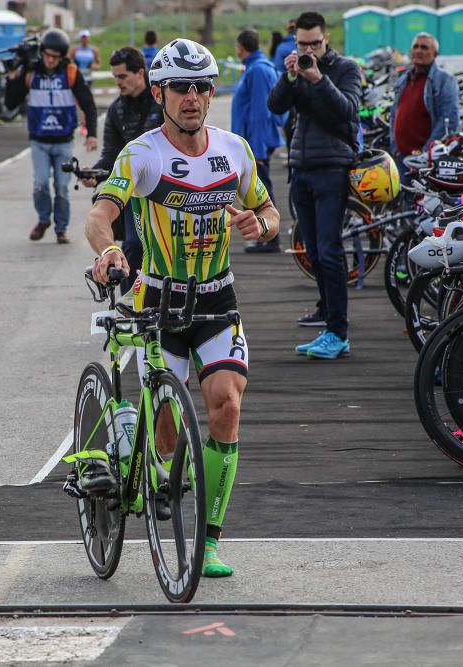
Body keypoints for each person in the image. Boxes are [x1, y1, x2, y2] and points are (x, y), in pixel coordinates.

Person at [85, 38, 281, 578]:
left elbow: (268, 211)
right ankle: (155, 466)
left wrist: (259, 224)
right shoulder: (142, 153)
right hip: (159, 305)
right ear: (160, 93)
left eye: (201, 87)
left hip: (218, 298)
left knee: (227, 406)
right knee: (167, 428)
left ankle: (210, 540)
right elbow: (99, 217)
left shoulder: (234, 150)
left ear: (212, 92)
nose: (192, 98)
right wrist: (107, 250)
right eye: (180, 88)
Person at [268, 11, 362, 359]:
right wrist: (290, 78)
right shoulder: (296, 69)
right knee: (312, 250)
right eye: (302, 44)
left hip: (331, 168)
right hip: (301, 168)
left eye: (315, 43)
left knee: (329, 249)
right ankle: (326, 312)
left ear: (326, 40)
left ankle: (338, 332)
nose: (309, 49)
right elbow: (275, 106)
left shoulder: (346, 68)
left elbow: (347, 111)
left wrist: (318, 77)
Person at [80, 47, 163, 292]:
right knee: (133, 246)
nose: (118, 83)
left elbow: (144, 148)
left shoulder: (162, 101)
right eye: (115, 77)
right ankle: (129, 304)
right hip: (135, 191)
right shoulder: (116, 109)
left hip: (166, 186)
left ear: (140, 73)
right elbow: (111, 155)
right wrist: (93, 174)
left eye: (122, 77)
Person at [5, 28, 98, 244]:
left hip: (64, 142)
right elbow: (11, 103)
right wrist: (13, 78)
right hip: (38, 141)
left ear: (62, 57)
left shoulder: (71, 73)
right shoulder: (31, 72)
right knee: (40, 184)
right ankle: (44, 218)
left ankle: (61, 229)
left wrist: (92, 133)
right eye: (46, 55)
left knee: (62, 188)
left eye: (54, 57)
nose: (49, 60)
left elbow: (88, 104)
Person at [232, 28, 285, 253]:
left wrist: (258, 151)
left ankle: (270, 238)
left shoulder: (258, 71)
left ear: (241, 48)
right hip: (253, 143)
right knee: (259, 189)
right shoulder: (256, 68)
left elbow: (261, 113)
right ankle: (265, 236)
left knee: (262, 192)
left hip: (256, 145)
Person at [389, 32, 459, 182]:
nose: (419, 51)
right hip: (401, 158)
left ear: (435, 54)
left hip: (424, 162)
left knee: (417, 204)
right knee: (401, 203)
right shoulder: (403, 79)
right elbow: (394, 114)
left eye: (424, 47)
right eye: (415, 47)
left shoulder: (444, 80)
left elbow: (449, 120)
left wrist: (424, 153)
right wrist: (394, 148)